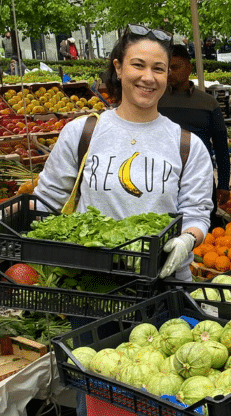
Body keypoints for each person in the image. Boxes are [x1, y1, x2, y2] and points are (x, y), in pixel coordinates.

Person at [33, 24, 214, 282]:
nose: (148, 77)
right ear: (118, 68)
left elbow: (196, 212)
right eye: (138, 65)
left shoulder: (187, 145)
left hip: (163, 284)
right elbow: (48, 201)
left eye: (158, 68)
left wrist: (187, 238)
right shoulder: (82, 133)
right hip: (89, 284)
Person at [158, 44, 231, 226]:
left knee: (202, 228)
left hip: (201, 181)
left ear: (189, 68)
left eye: (175, 67)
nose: (170, 73)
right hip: (163, 180)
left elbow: (221, 146)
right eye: (166, 68)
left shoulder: (208, 103)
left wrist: (223, 183)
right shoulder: (155, 101)